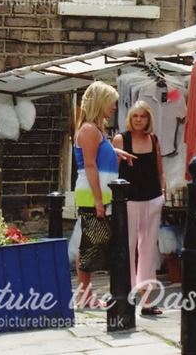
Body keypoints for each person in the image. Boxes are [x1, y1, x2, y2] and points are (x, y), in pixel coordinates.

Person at [74, 81, 135, 308]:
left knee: (93, 243)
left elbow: (98, 154)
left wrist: (117, 151)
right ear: (100, 102)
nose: (114, 107)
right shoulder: (90, 129)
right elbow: (90, 165)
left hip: (99, 195)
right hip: (92, 195)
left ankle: (86, 295)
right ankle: (85, 296)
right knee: (91, 245)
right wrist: (99, 200)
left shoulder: (95, 129)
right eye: (111, 102)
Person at [113, 102, 166, 316]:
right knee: (128, 247)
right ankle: (126, 295)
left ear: (147, 119)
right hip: (129, 200)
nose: (138, 120)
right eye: (134, 116)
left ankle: (146, 300)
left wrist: (162, 191)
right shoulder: (121, 139)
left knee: (148, 250)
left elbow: (159, 168)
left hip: (152, 198)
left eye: (142, 116)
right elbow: (113, 172)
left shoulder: (153, 139)